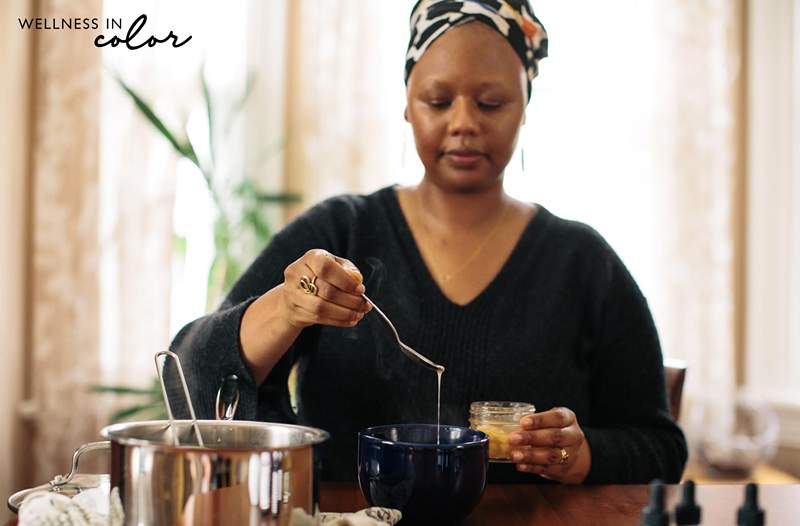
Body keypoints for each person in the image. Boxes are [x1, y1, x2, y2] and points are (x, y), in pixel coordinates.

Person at [168, 0, 687, 485]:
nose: (463, 123)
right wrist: (287, 306)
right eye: (438, 101)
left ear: (525, 104)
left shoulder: (582, 263)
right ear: (407, 105)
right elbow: (190, 379)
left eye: (490, 102)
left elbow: (660, 446)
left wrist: (580, 454)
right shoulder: (341, 232)